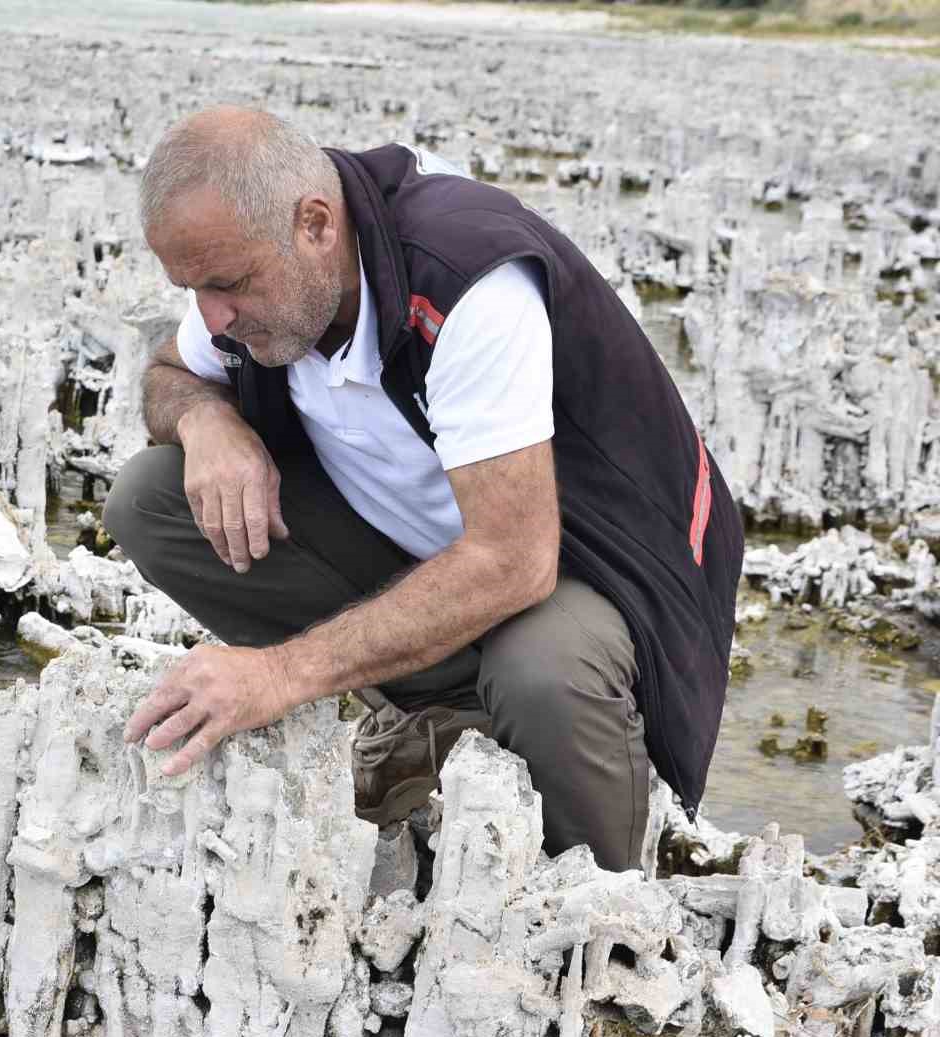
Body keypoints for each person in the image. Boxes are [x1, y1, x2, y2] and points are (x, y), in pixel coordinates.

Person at [102, 106, 743, 872]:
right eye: (193, 287)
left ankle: (599, 906)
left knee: (540, 673)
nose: (213, 316)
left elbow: (515, 562)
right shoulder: (260, 267)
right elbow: (170, 374)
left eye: (229, 285)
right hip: (431, 548)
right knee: (151, 497)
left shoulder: (468, 278)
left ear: (316, 225)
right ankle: (454, 715)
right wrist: (208, 421)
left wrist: (278, 675)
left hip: (593, 569)